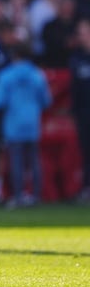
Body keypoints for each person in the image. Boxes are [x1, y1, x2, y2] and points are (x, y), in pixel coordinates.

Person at [0, 42, 52, 209]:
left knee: (16, 161)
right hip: (32, 123)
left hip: (13, 123)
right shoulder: (38, 75)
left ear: (14, 55)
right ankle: (36, 196)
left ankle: (18, 196)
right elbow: (46, 101)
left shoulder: (6, 75)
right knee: (34, 161)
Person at [68, 19, 90, 203]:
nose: (81, 36)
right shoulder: (76, 58)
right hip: (83, 114)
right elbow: (74, 89)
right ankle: (86, 188)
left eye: (84, 32)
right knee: (85, 151)